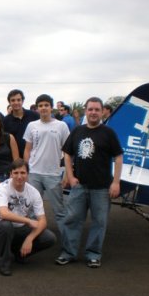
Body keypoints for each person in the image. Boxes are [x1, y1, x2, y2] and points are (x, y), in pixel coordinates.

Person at [56, 97, 123, 268]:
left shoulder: (109, 133)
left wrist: (116, 182)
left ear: (102, 112)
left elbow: (118, 156)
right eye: (90, 109)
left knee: (99, 222)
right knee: (72, 220)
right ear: (86, 111)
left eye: (97, 110)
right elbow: (67, 153)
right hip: (79, 186)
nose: (93, 112)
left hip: (101, 187)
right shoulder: (78, 131)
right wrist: (70, 177)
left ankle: (93, 254)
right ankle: (68, 253)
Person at [0, 159, 56, 276]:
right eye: (16, 173)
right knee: (5, 225)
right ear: (10, 174)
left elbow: (43, 221)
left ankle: (20, 253)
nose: (19, 176)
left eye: (23, 173)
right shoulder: (3, 188)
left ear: (28, 174)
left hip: (20, 229)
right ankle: (4, 262)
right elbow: (3, 214)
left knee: (49, 238)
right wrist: (28, 220)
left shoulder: (34, 192)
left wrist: (30, 238)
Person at [23, 94, 70, 235]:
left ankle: (67, 246)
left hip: (53, 174)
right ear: (37, 108)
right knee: (31, 210)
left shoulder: (61, 126)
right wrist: (26, 170)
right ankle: (32, 239)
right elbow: (27, 149)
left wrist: (67, 174)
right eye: (41, 105)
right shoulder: (32, 126)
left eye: (46, 105)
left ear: (51, 107)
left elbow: (68, 152)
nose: (43, 108)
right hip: (34, 173)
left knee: (60, 211)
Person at [3, 89, 39, 156]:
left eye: (18, 100)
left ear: (22, 101)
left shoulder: (34, 116)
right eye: (13, 100)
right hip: (15, 159)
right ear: (9, 102)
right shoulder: (5, 121)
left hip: (34, 157)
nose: (16, 102)